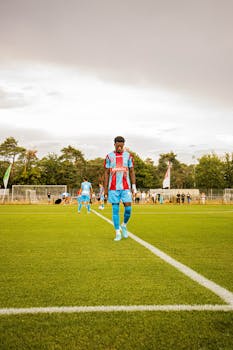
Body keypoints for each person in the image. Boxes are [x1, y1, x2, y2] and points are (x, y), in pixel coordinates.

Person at [104, 136, 137, 241]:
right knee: (115, 210)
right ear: (114, 144)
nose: (119, 147)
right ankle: (117, 232)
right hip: (113, 188)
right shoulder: (109, 156)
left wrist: (134, 186)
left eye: (121, 146)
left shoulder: (128, 156)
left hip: (126, 187)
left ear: (124, 145)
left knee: (128, 209)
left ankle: (124, 225)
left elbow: (131, 171)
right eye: (118, 145)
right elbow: (106, 173)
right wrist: (105, 190)